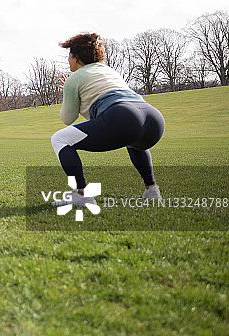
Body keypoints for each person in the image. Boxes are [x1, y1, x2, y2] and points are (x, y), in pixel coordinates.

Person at [50, 32, 165, 207]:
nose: (68, 60)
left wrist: (69, 89)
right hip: (153, 119)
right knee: (133, 141)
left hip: (124, 117)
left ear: (76, 57)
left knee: (59, 139)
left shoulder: (74, 79)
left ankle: (81, 194)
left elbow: (67, 118)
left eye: (69, 55)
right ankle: (152, 190)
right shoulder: (109, 71)